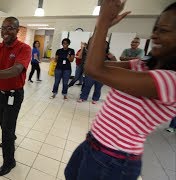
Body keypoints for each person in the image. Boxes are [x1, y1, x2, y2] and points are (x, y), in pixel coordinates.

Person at [65, 1, 176, 180]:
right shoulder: (141, 65)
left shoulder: (171, 81)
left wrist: (103, 21)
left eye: (164, 30)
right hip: (94, 142)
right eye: (156, 28)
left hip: (113, 160)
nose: (155, 35)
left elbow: (95, 70)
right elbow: (93, 64)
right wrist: (102, 25)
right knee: (70, 175)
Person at [0, 16, 31, 176]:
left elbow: (16, 70)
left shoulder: (24, 48)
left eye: (10, 28)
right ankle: (10, 135)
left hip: (14, 95)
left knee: (7, 130)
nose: (6, 31)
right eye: (3, 27)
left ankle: (9, 161)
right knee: (1, 119)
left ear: (17, 30)